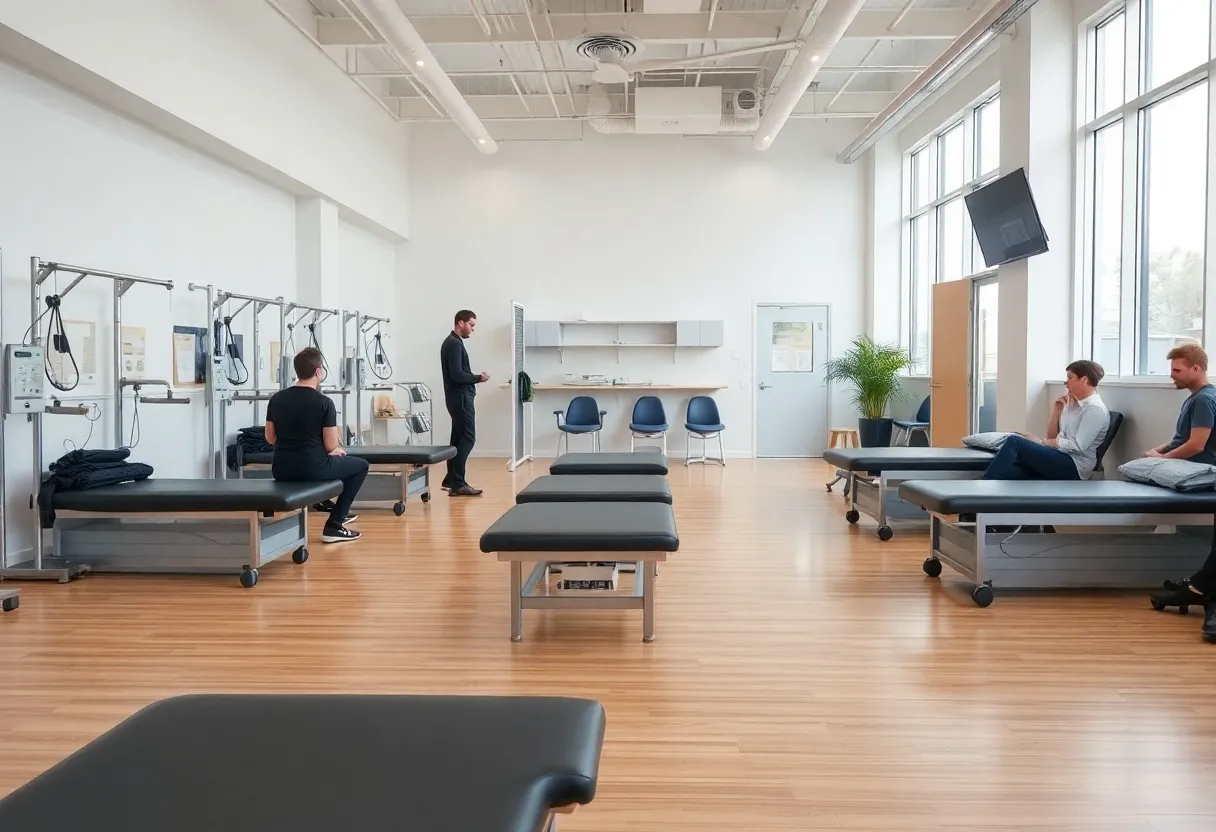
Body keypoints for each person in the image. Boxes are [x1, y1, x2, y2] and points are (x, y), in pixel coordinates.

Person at [1145, 343, 1216, 641]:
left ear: (1196, 369)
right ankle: (1200, 586)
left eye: (1177, 370)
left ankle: (1200, 586)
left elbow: (1197, 445)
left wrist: (1162, 461)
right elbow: (1181, 439)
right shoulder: (1194, 399)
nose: (1172, 376)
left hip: (1200, 473)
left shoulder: (1205, 400)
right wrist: (1158, 451)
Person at [265, 347, 369, 544]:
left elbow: (270, 438)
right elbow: (331, 446)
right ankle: (335, 524)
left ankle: (324, 502)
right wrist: (335, 450)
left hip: (281, 469)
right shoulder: (324, 403)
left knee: (326, 464)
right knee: (360, 466)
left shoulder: (276, 399)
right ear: (318, 372)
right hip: (312, 468)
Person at [981, 360, 1110, 481]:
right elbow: (1052, 437)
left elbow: (1078, 446)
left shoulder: (1094, 410)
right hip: (1060, 456)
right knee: (1010, 471)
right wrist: (1056, 410)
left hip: (1074, 467)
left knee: (1015, 442)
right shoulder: (1073, 404)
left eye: (1070, 378)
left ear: (1085, 380)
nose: (1066, 382)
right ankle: (981, 490)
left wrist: (1040, 442)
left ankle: (977, 495)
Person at [440, 310, 489, 497]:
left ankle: (451, 479)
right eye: (471, 325)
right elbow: (457, 375)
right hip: (460, 398)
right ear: (460, 323)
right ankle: (457, 483)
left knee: (458, 440)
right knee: (468, 438)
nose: (472, 329)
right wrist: (479, 377)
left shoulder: (454, 343)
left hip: (457, 398)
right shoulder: (453, 344)